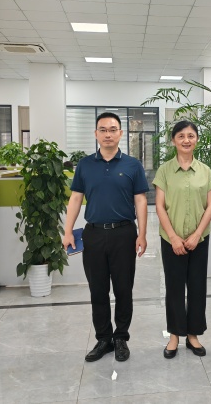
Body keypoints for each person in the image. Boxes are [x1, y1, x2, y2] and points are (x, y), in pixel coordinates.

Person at [62, 112, 149, 363]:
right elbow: (75, 198)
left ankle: (121, 338)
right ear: (96, 134)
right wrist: (67, 231)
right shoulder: (85, 165)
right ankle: (103, 339)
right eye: (103, 130)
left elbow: (141, 201)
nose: (108, 134)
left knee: (123, 289)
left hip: (124, 233)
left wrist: (142, 234)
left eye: (112, 129)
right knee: (98, 290)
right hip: (94, 234)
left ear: (120, 133)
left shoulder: (132, 165)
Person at [153, 121, 211, 359]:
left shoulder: (205, 170)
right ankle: (174, 336)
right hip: (172, 240)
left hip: (199, 239)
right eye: (181, 136)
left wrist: (197, 234)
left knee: (198, 287)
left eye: (191, 135)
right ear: (173, 141)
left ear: (196, 139)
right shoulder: (164, 171)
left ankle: (193, 335)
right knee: (174, 288)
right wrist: (173, 237)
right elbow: (160, 206)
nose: (186, 140)